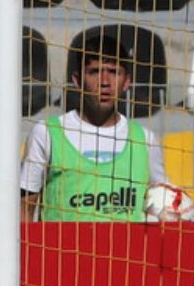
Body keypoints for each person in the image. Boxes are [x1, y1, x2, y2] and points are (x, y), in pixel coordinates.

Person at [20, 34, 175, 222]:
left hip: (126, 251)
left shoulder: (145, 139)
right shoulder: (46, 133)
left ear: (127, 82)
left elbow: (165, 200)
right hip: (62, 250)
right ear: (77, 81)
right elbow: (24, 209)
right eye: (94, 72)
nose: (104, 82)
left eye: (113, 72)